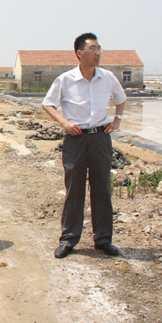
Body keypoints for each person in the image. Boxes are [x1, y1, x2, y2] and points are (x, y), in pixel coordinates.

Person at [41, 33, 127, 259]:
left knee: (102, 189)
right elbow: (47, 104)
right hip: (75, 139)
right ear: (79, 53)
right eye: (93, 49)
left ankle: (103, 239)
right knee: (74, 190)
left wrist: (117, 120)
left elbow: (121, 98)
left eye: (99, 48)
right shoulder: (66, 79)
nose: (98, 53)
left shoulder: (107, 77)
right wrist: (64, 123)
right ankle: (69, 239)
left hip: (100, 138)